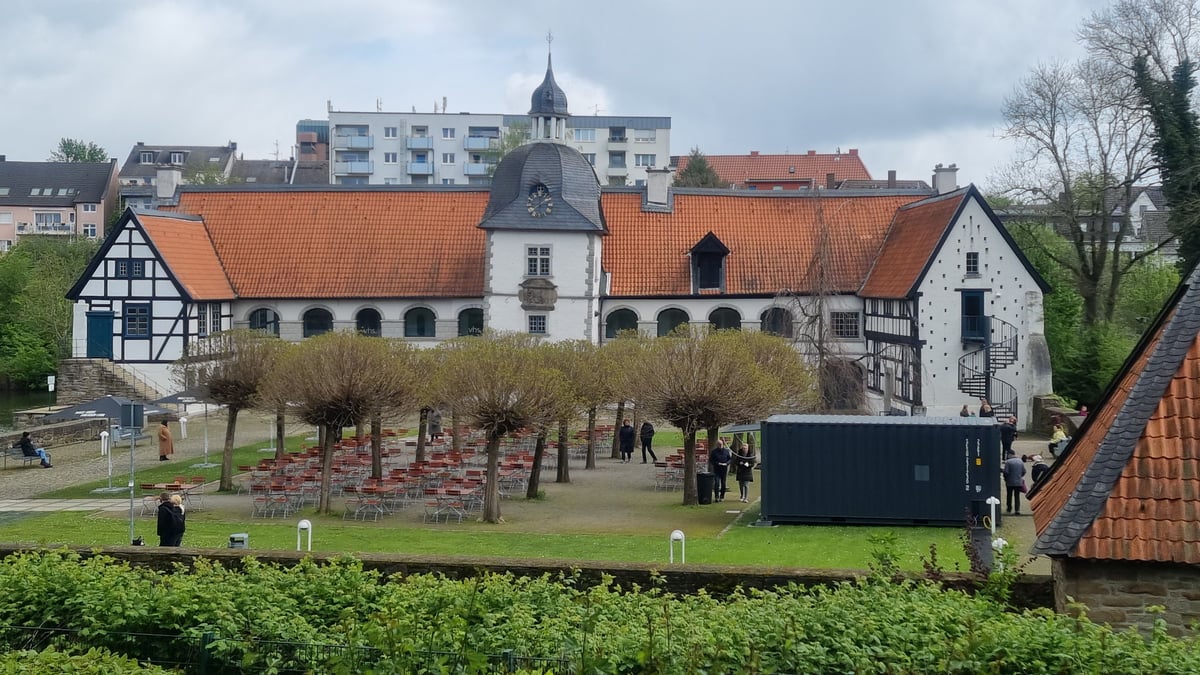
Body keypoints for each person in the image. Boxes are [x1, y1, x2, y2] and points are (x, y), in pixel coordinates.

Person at [709, 438, 732, 503]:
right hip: (717, 469)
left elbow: (730, 459)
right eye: (718, 444)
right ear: (717, 445)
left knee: (723, 483)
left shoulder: (726, 451)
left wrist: (726, 463)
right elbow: (711, 460)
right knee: (717, 483)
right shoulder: (714, 452)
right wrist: (717, 463)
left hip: (724, 469)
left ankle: (722, 496)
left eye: (721, 444)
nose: (720, 445)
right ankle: (716, 496)